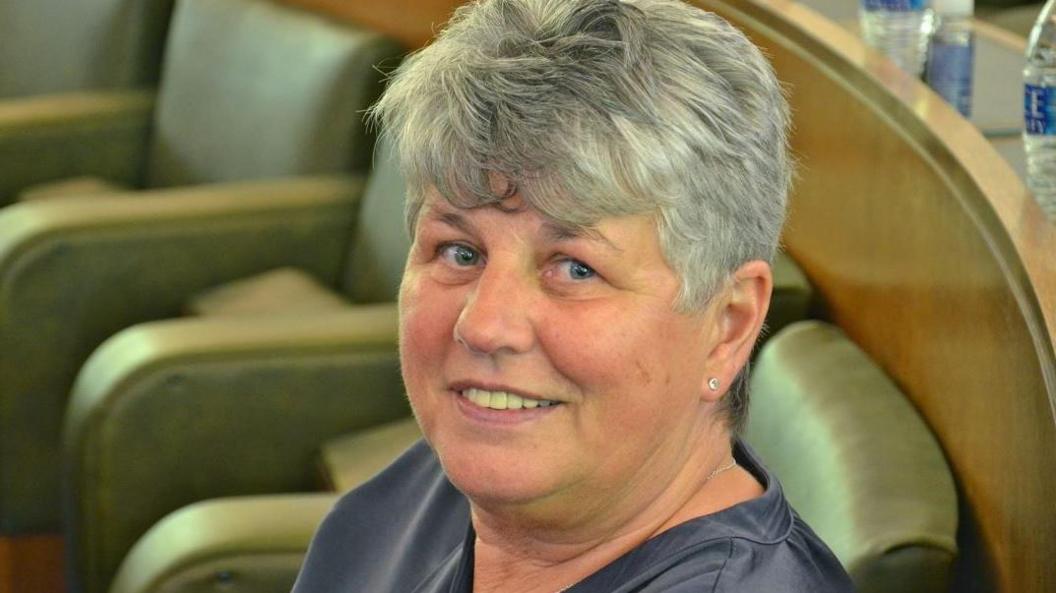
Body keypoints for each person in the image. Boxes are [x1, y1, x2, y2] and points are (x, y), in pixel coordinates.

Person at [293, 0, 855, 591]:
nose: (483, 325)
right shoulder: (423, 494)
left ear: (729, 325)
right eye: (460, 252)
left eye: (575, 269)